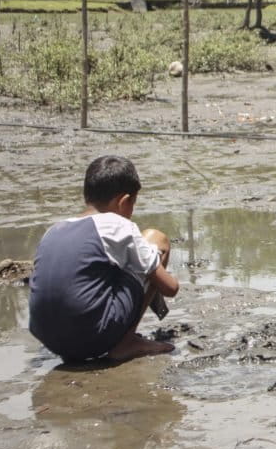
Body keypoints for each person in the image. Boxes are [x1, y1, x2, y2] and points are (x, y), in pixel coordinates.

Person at [29, 155, 179, 362]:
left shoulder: (54, 230)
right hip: (94, 337)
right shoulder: (118, 225)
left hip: (51, 341)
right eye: (133, 204)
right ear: (124, 201)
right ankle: (127, 342)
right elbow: (170, 288)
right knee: (156, 238)